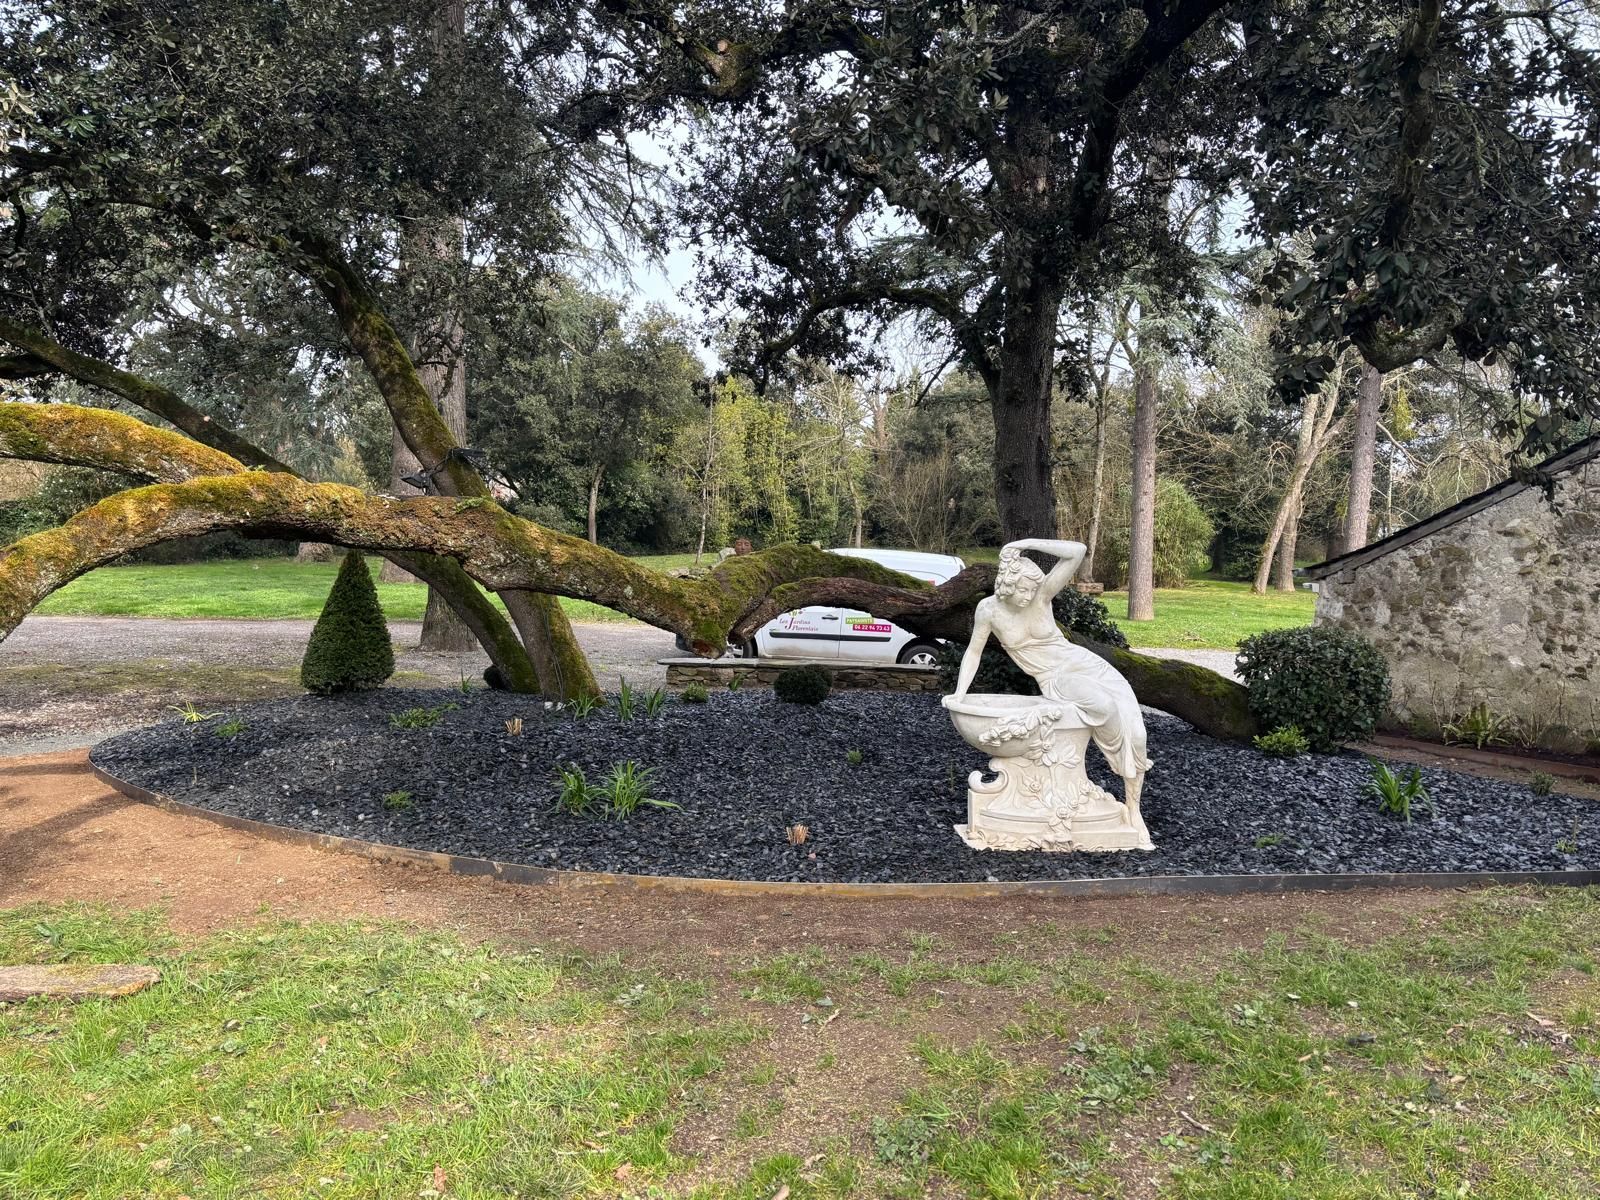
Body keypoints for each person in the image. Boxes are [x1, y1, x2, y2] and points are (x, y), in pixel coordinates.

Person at [952, 538, 1150, 819]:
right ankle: (1100, 784)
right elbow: (973, 653)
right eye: (1023, 588)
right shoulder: (989, 610)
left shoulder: (1041, 597)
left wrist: (1025, 543)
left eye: (1033, 589)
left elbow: (1077, 552)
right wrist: (960, 692)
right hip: (1056, 678)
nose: (1028, 595)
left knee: (1138, 733)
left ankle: (1134, 809)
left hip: (1087, 665)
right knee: (1104, 707)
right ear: (1007, 583)